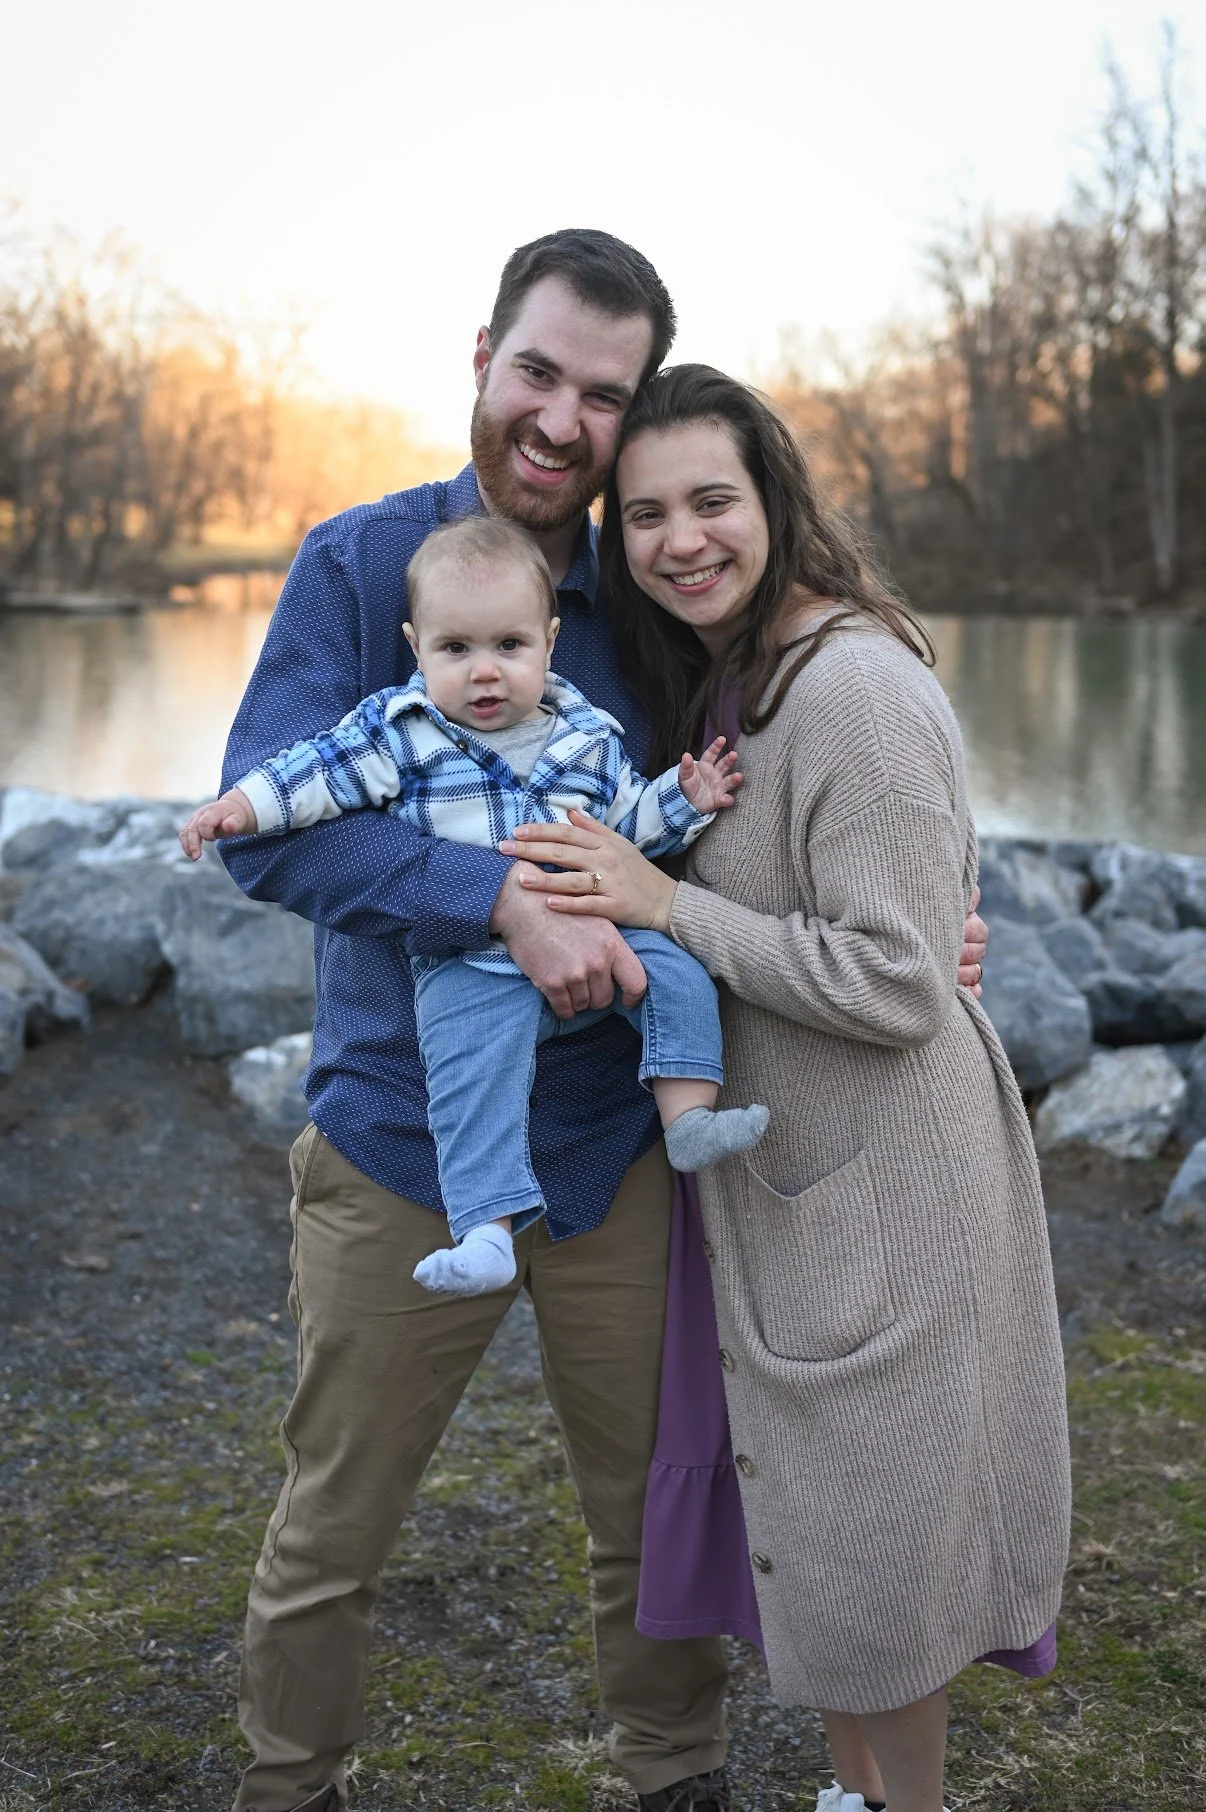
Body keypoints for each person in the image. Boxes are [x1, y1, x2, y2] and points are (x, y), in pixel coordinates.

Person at [217, 228, 989, 1812]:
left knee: (656, 1508)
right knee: (332, 1524)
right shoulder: (361, 569)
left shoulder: (641, 590)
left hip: (616, 1141)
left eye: (603, 396)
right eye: (538, 372)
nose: (560, 420)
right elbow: (266, 830)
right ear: (482, 358)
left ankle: (673, 1777)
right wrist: (493, 902)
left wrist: (930, 921)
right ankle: (288, 1785)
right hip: (402, 1136)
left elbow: (749, 801)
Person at [501, 364, 1072, 1812]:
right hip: (791, 1181)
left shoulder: (855, 690)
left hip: (885, 1186)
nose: (679, 539)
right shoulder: (743, 678)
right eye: (644, 514)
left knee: (878, 1564)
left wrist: (663, 904)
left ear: (775, 499)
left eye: (712, 501)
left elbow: (896, 982)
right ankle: (852, 1795)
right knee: (811, 1538)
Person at [181, 516, 768, 1298]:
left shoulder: (589, 737)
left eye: (509, 646)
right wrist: (241, 807)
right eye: (455, 649)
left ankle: (687, 1118)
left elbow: (631, 824)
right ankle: (485, 1230)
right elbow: (313, 775)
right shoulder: (401, 734)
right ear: (416, 647)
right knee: (469, 1076)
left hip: (602, 936)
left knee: (679, 975)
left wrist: (684, 800)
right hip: (471, 962)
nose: (485, 672)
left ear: (549, 643)